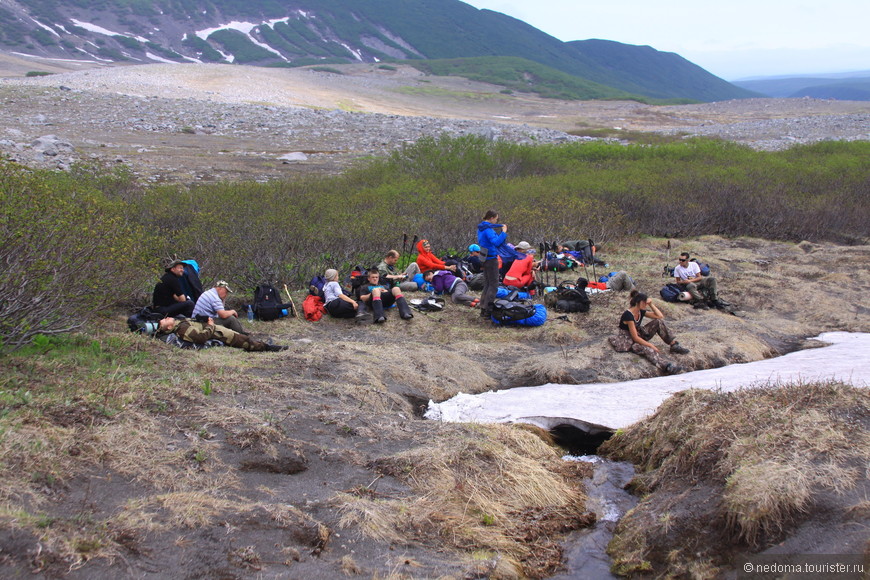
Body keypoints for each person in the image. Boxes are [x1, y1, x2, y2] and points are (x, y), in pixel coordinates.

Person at [609, 290, 689, 374]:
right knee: (648, 349)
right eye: (645, 302)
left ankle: (673, 345)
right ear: (638, 302)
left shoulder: (640, 311)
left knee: (658, 322)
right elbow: (635, 338)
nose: (646, 304)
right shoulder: (628, 315)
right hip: (629, 339)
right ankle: (667, 367)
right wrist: (651, 345)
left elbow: (659, 316)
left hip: (639, 333)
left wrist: (651, 304)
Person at [155, 316, 286, 352]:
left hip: (215, 328)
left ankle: (262, 345)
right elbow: (200, 338)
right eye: (165, 320)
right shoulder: (182, 329)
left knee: (240, 335)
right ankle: (268, 348)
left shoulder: (180, 322)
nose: (167, 318)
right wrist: (211, 327)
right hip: (217, 333)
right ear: (170, 327)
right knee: (244, 341)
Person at [477, 210, 507, 318]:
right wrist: (503, 232)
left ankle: (483, 308)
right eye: (496, 218)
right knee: (493, 285)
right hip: (490, 259)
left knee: (488, 284)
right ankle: (488, 310)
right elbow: (496, 242)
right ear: (491, 218)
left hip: (484, 258)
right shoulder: (488, 229)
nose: (496, 221)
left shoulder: (481, 228)